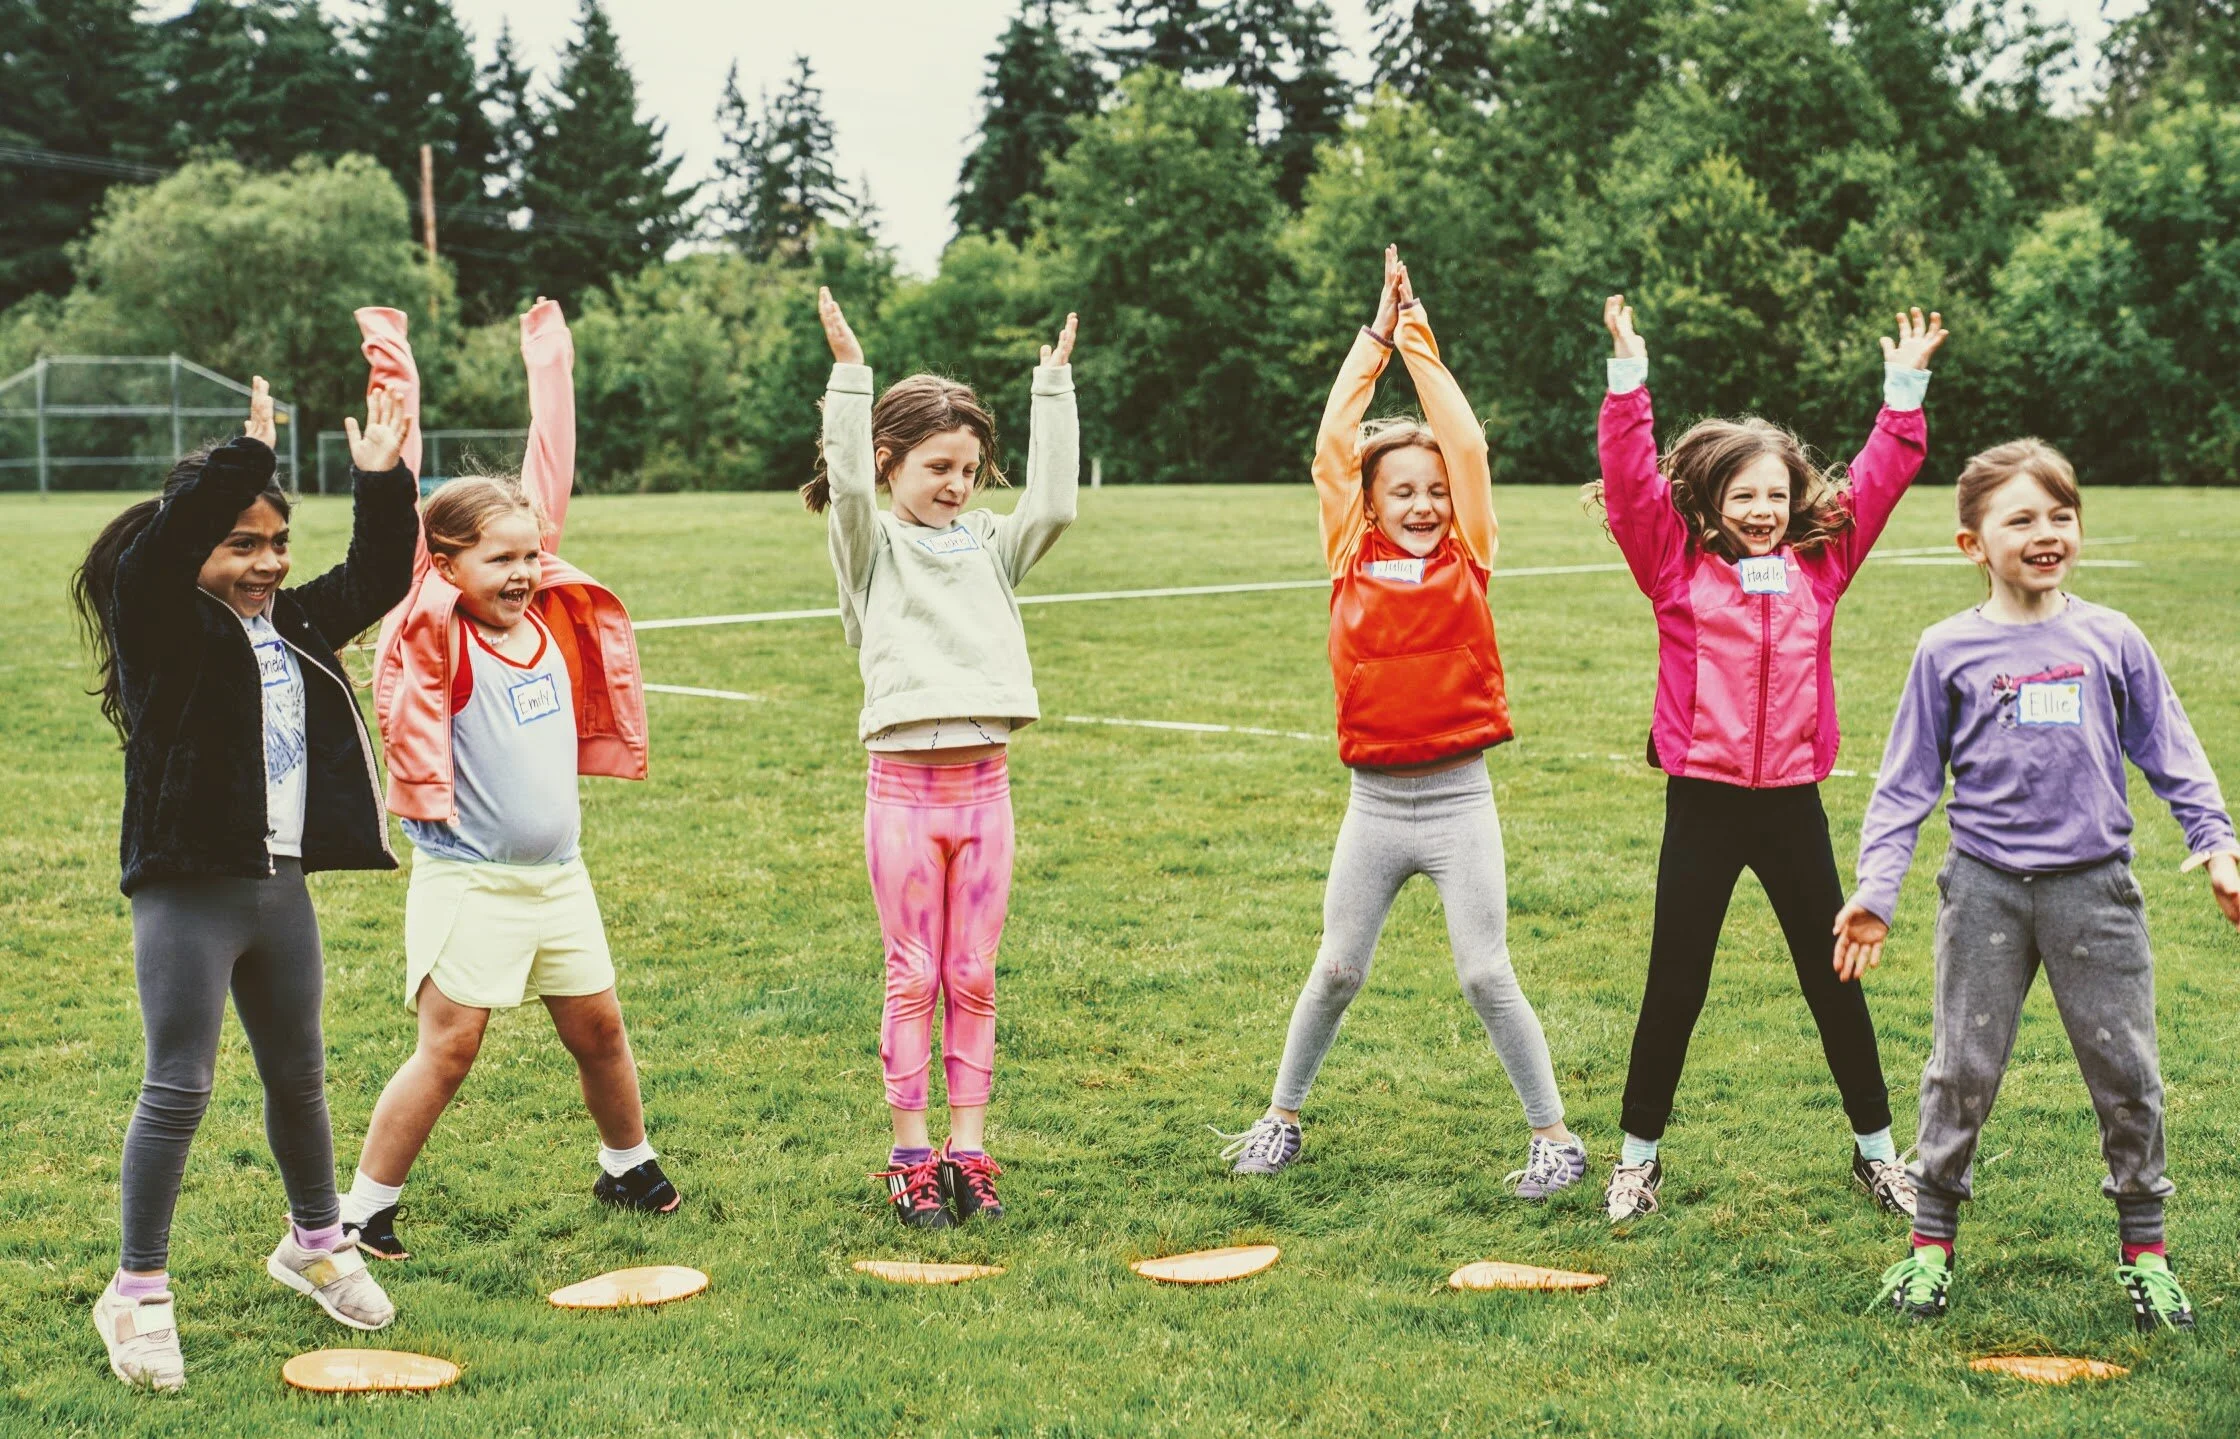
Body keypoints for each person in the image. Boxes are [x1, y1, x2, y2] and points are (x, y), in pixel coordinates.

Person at [1841, 439, 2240, 1331]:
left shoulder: (2111, 638)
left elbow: (2170, 749)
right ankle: (1929, 1251)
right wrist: (1878, 888)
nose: (2047, 531)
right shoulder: (1946, 649)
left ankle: (2147, 1255)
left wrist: (2218, 841)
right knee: (1960, 1072)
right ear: (1972, 544)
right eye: (2021, 518)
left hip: (2094, 893)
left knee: (2128, 1074)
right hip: (1983, 892)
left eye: (2061, 514)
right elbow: (1906, 783)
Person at [1217, 247, 1583, 1200]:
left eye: (1434, 491)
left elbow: (1464, 445)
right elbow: (1334, 442)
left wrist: (1418, 333)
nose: (1423, 503)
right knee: (1337, 968)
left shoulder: (1471, 549)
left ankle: (1554, 1137)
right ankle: (1280, 1117)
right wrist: (1374, 335)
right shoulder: (1348, 553)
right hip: (1374, 806)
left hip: (1460, 801)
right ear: (1371, 503)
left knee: (1484, 972)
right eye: (1401, 492)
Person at [74, 375, 416, 1390]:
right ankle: (134, 1291)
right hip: (188, 887)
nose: (267, 561)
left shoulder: (298, 622)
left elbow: (381, 574)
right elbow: (163, 551)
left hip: (280, 887)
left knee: (299, 1075)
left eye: (276, 542)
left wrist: (380, 479)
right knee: (178, 1085)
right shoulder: (162, 625)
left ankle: (315, 1239)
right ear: (196, 549)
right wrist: (245, 460)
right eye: (243, 543)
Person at [1589, 293, 1946, 1224]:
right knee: (1677, 980)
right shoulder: (1672, 565)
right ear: (1711, 501)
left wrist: (1902, 391)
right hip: (1701, 805)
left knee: (1834, 980)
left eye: (1774, 497)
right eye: (1742, 496)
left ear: (1796, 504)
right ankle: (1636, 1161)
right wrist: (1629, 379)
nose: (1759, 510)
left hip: (1793, 806)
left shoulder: (1819, 565)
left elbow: (1877, 479)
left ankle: (1876, 1154)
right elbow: (1629, 485)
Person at [338, 300, 674, 1264]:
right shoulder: (433, 625)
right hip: (471, 877)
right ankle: (362, 1208)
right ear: (443, 566)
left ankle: (626, 1161)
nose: (526, 570)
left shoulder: (539, 608)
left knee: (601, 1028)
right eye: (502, 558)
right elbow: (401, 503)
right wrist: (391, 361)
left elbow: (547, 472)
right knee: (450, 1048)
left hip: (558, 873)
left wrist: (551, 361)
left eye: (533, 554)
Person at [808, 285, 1078, 1227]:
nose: (957, 483)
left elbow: (1053, 506)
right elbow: (842, 488)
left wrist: (1052, 390)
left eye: (968, 467)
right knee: (913, 970)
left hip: (985, 791)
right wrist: (851, 377)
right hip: (904, 797)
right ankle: (911, 1153)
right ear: (891, 463)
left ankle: (971, 1148)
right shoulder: (871, 542)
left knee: (974, 972)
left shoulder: (992, 543)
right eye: (937, 466)